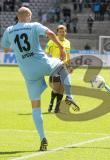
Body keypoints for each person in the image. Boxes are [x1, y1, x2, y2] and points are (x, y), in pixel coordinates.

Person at [1, 7, 80, 151]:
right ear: (29, 16)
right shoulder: (34, 25)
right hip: (42, 63)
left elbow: (6, 50)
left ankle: (43, 138)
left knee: (35, 106)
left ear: (17, 17)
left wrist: (19, 52)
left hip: (28, 72)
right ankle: (69, 96)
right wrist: (61, 47)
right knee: (63, 66)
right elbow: (50, 33)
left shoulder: (8, 30)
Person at [45, 25, 71, 113]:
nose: (62, 33)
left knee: (62, 88)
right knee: (56, 88)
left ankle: (57, 107)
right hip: (55, 66)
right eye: (60, 31)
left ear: (65, 32)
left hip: (64, 66)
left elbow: (68, 54)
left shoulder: (68, 42)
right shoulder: (51, 41)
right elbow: (46, 53)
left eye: (63, 31)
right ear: (57, 32)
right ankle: (51, 103)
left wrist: (69, 65)